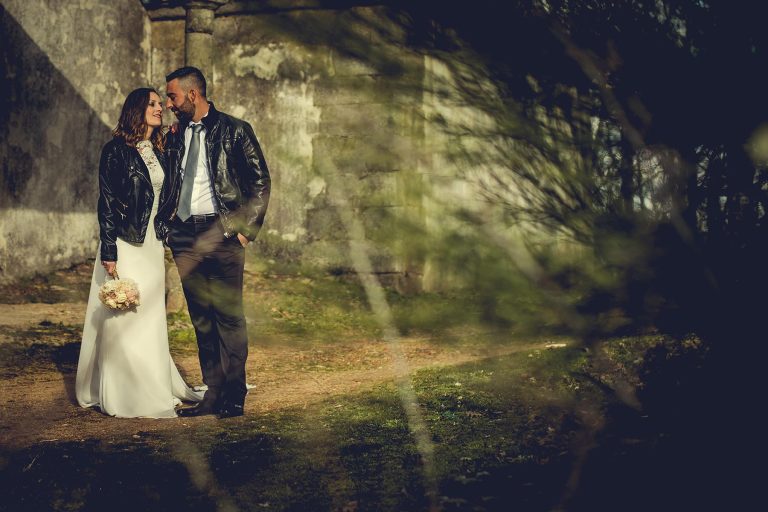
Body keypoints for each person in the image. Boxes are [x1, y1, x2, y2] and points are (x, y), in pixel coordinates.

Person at [76, 88, 203, 418]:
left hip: (152, 245)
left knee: (150, 318)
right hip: (125, 243)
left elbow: (172, 189)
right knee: (124, 318)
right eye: (153, 104)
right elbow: (105, 203)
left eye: (161, 103)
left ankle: (154, 385)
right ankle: (124, 394)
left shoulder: (162, 149)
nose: (160, 108)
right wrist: (108, 249)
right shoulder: (115, 151)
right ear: (137, 109)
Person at [156, 67, 271, 419]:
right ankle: (212, 393)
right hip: (185, 236)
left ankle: (235, 395)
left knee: (229, 316)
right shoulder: (175, 135)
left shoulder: (236, 130)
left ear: (193, 95)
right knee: (202, 318)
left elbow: (260, 182)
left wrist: (245, 230)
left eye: (173, 97)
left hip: (221, 234)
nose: (169, 104)